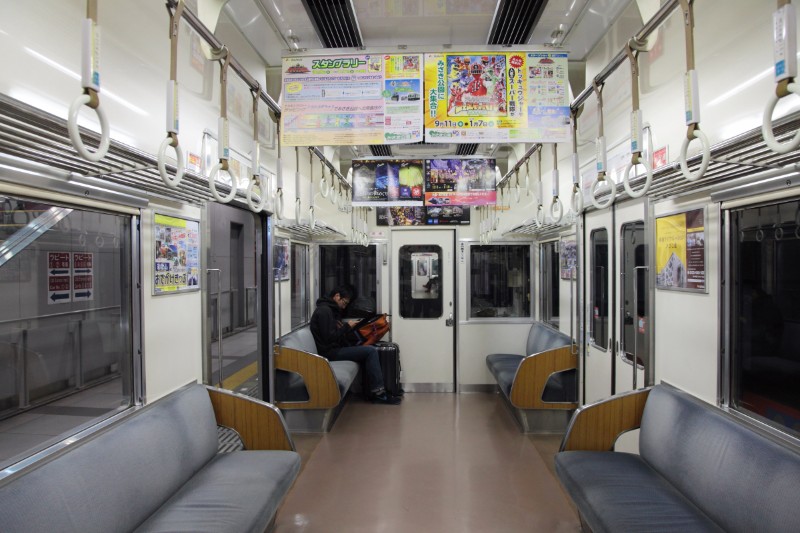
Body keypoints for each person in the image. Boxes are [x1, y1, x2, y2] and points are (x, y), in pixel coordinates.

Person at [310, 287, 401, 405]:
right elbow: (329, 338)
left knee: (368, 347)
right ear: (337, 296)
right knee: (370, 351)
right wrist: (347, 327)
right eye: (344, 302)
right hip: (328, 352)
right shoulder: (324, 312)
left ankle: (372, 390)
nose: (344, 307)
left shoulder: (330, 310)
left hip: (334, 348)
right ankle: (379, 394)